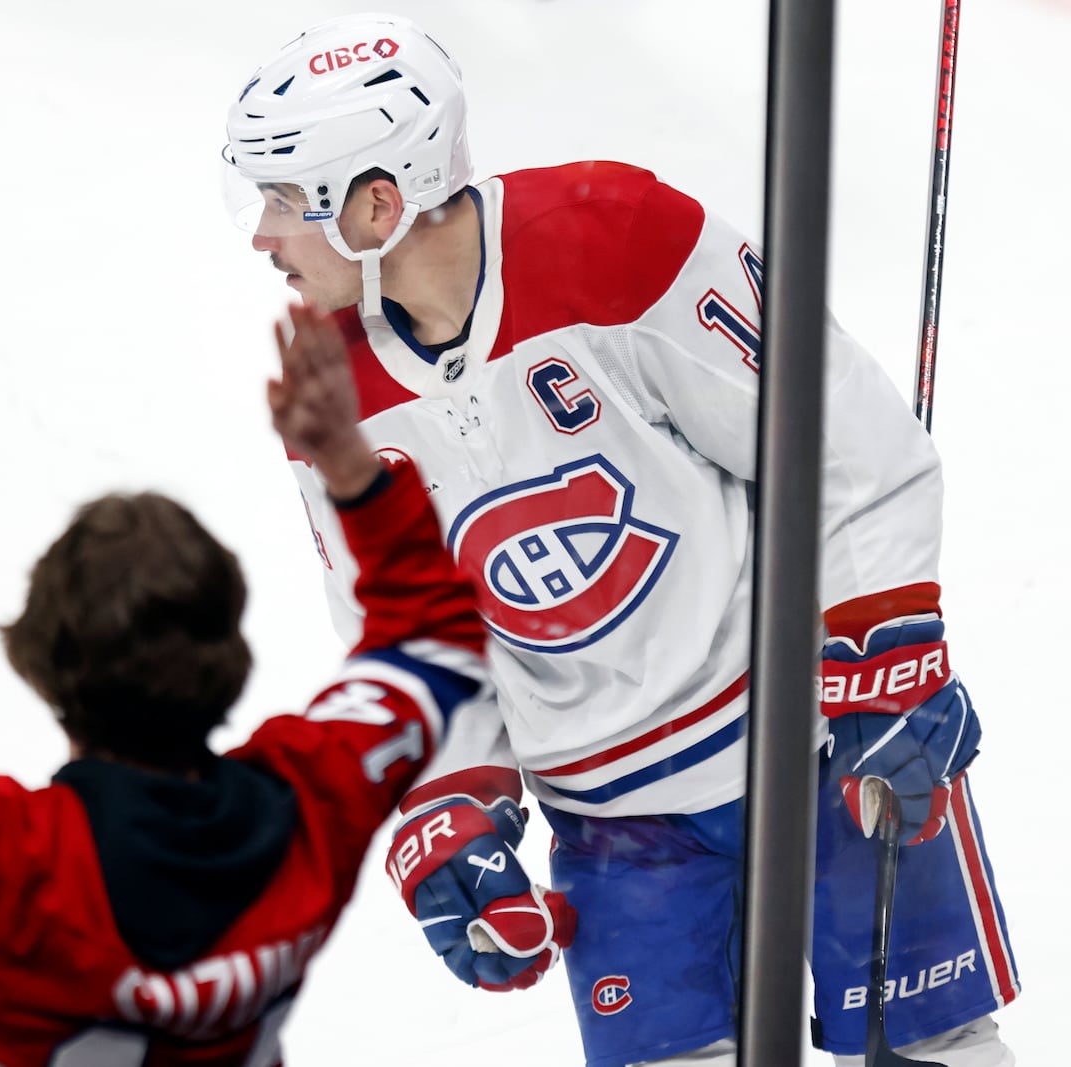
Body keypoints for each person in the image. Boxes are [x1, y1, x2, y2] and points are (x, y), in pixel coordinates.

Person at [220, 13, 1018, 1067]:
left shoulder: (620, 241)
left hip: (816, 752)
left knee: (938, 1050)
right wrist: (453, 802)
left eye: (284, 200)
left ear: (377, 203)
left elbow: (840, 437)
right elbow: (410, 632)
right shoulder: (332, 394)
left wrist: (888, 652)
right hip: (616, 834)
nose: (260, 235)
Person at [0, 262, 578, 1065]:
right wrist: (349, 463)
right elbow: (431, 636)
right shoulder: (311, 809)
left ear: (39, 666)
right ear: (228, 654)